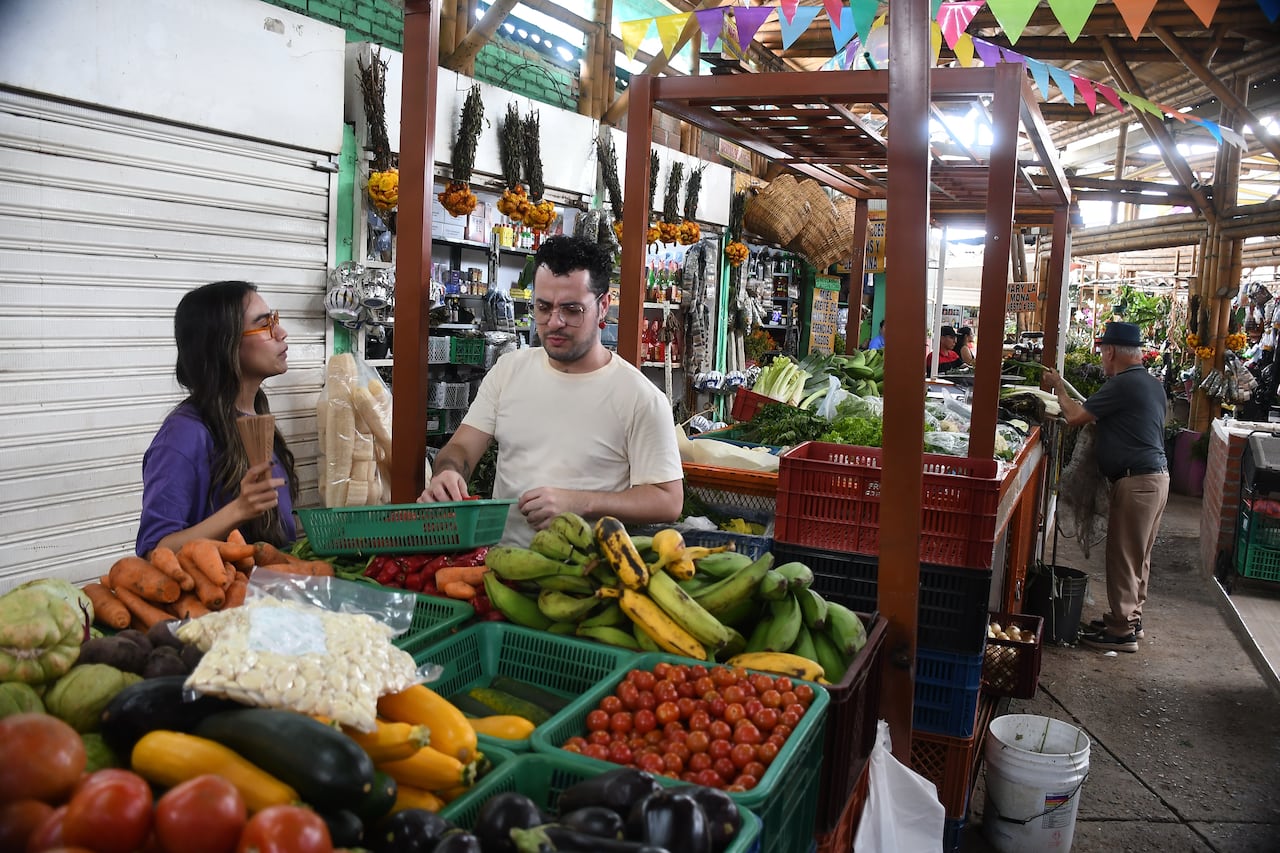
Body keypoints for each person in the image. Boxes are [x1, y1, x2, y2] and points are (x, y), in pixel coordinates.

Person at [419, 235, 683, 546]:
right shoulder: (509, 371)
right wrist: (448, 474)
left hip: (583, 577)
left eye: (571, 310)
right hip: (500, 567)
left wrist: (580, 502)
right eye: (543, 308)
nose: (554, 322)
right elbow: (461, 449)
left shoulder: (640, 397)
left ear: (603, 306)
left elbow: (668, 500)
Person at [136, 281, 298, 557]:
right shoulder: (184, 435)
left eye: (276, 319)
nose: (281, 333)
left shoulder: (256, 416)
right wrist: (239, 510)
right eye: (264, 324)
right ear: (225, 343)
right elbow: (154, 551)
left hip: (271, 592)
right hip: (224, 596)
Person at [1045, 321, 1169, 653]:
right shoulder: (1151, 384)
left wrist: (1058, 386)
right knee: (1139, 556)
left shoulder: (1123, 384)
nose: (1101, 358)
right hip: (1157, 479)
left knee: (1124, 557)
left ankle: (1121, 630)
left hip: (1137, 482)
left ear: (1111, 351)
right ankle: (1130, 618)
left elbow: (1074, 416)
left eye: (1102, 351)